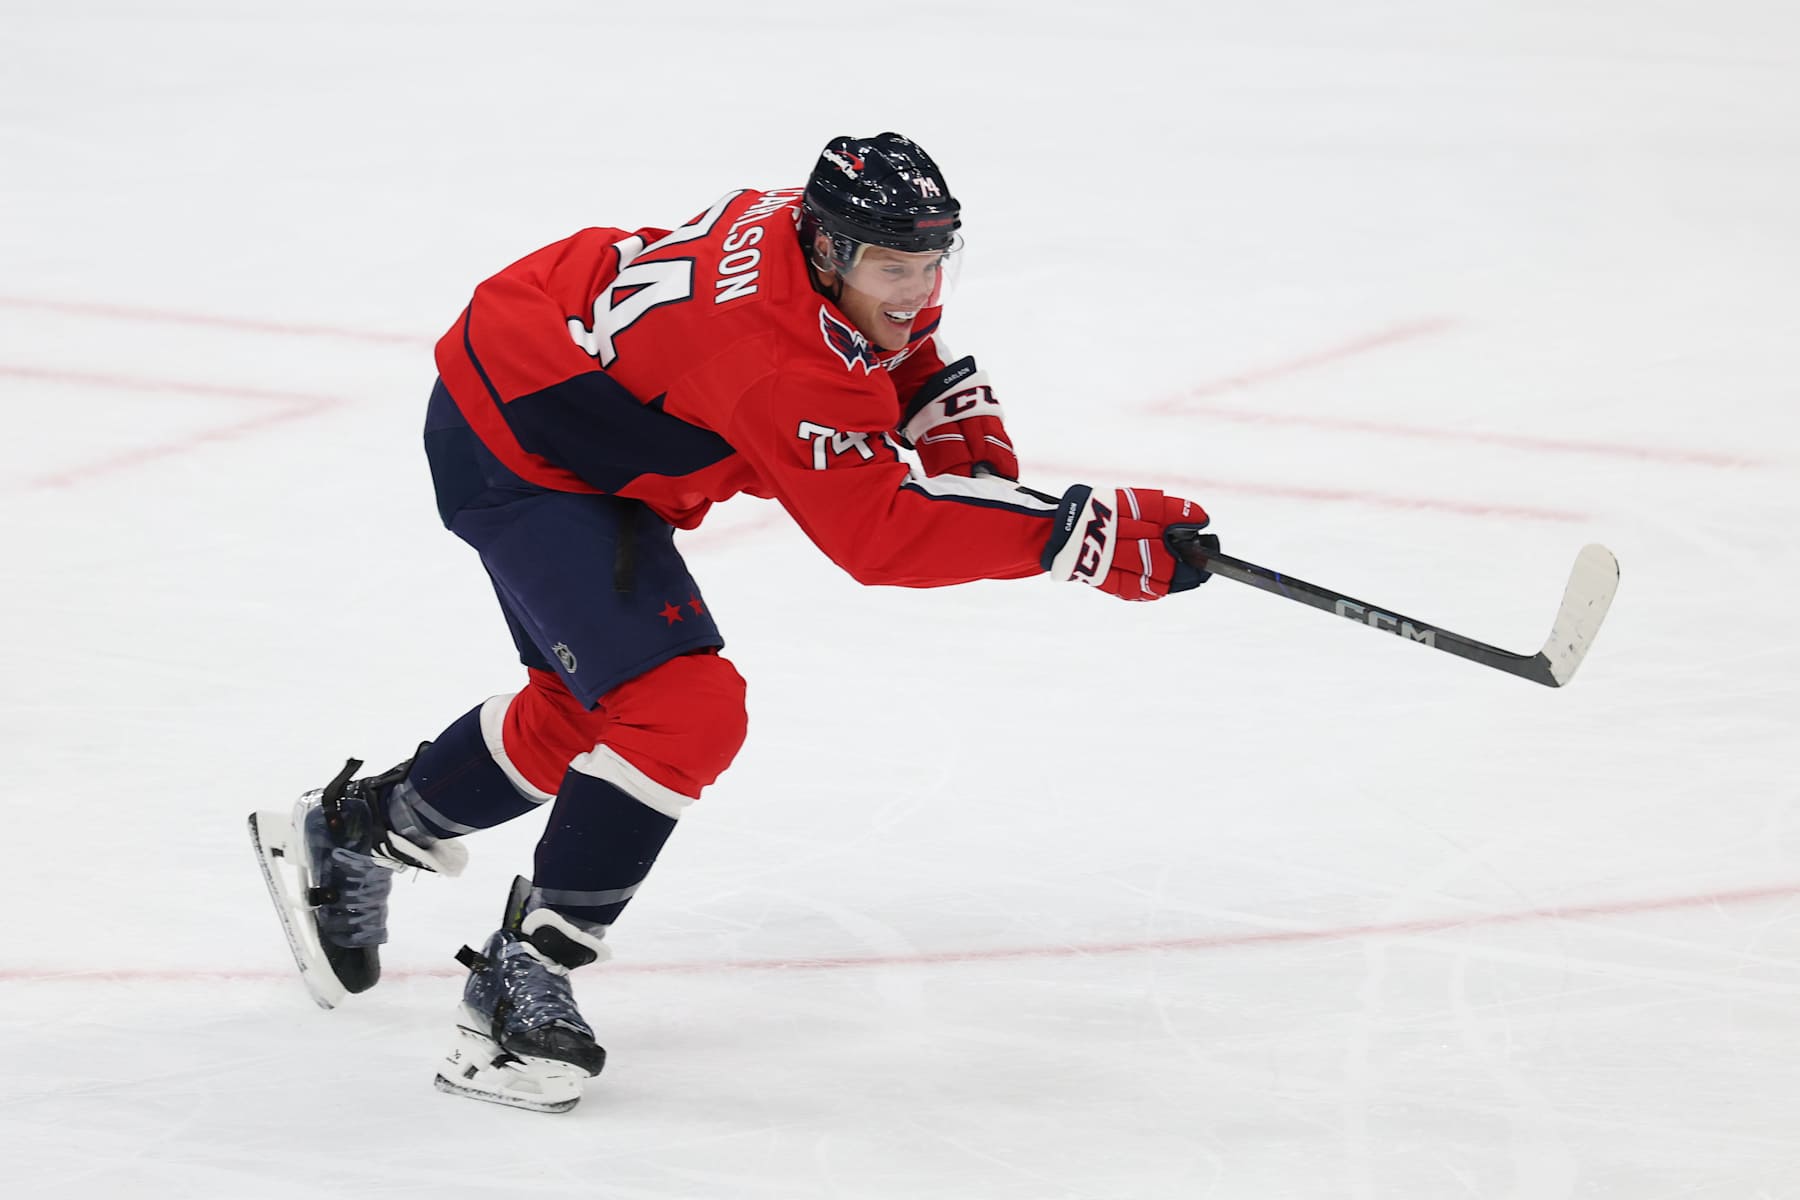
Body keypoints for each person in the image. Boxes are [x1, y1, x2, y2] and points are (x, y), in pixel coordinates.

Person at [249, 132, 1219, 1113]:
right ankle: (522, 976)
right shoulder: (774, 358)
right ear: (830, 250)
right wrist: (1072, 534)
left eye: (934, 263)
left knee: (591, 711)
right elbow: (877, 533)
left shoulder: (822, 238)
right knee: (682, 710)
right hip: (523, 448)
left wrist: (929, 391)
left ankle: (359, 826)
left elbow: (882, 343)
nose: (920, 291)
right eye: (897, 268)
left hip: (558, 386)